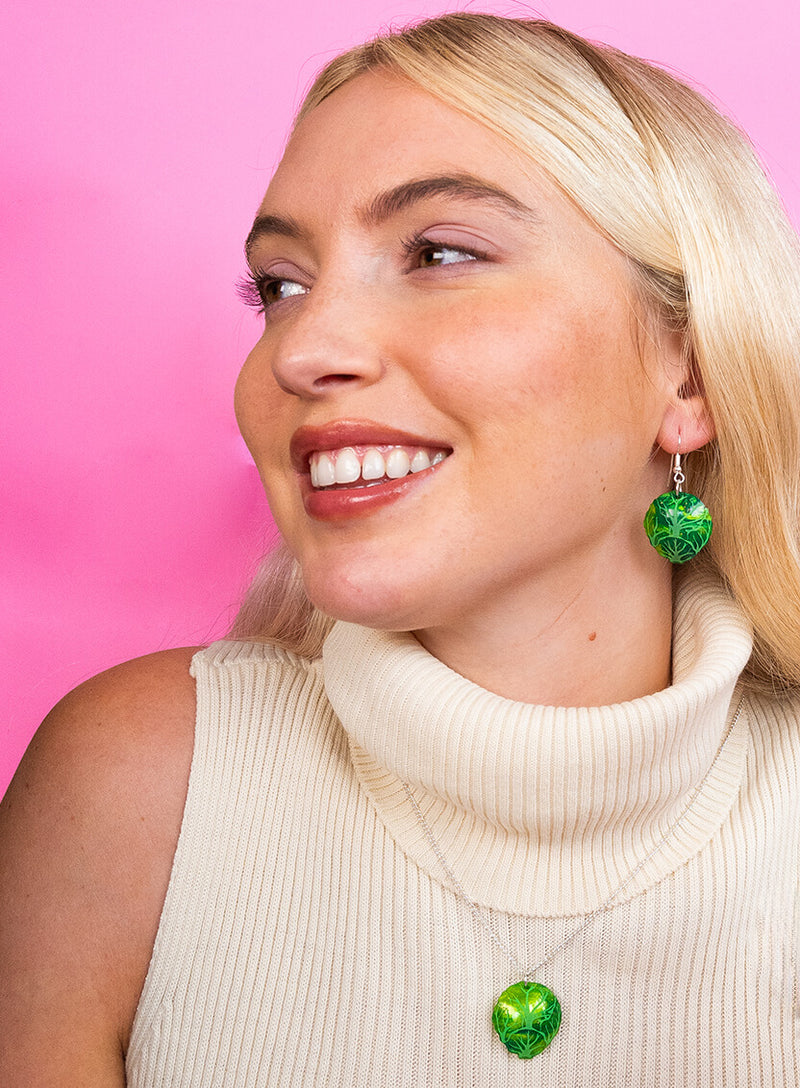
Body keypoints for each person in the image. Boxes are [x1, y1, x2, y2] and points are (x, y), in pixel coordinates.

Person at [2, 11, 799, 1086]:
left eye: (437, 253)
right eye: (278, 286)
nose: (305, 348)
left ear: (689, 374)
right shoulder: (136, 785)